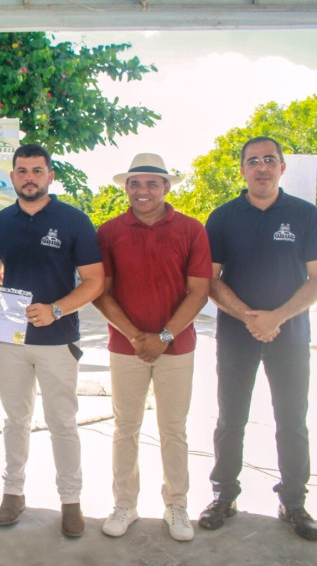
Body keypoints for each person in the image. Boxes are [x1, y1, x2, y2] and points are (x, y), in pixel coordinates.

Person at [199, 136, 317, 541]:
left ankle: (294, 502)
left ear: (281, 167)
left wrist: (276, 317)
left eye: (269, 160)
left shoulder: (305, 215)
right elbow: (210, 279)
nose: (261, 167)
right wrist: (248, 317)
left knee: (292, 420)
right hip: (236, 336)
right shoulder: (222, 218)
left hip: (290, 333)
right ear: (241, 169)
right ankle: (224, 496)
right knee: (230, 419)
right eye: (253, 161)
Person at [0, 143, 104, 537]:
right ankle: (13, 493)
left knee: (62, 423)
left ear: (50, 175)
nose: (29, 177)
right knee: (15, 421)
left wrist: (56, 309)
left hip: (58, 340)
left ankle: (71, 501)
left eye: (37, 170)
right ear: (13, 176)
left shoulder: (74, 221)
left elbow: (94, 282)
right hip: (11, 340)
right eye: (22, 170)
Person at [92, 153, 211, 542]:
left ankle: (176, 504)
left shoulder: (192, 230)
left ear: (167, 187)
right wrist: (133, 336)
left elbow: (199, 293)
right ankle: (125, 503)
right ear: (126, 187)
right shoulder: (108, 232)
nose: (143, 191)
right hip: (125, 347)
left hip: (176, 348)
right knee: (125, 428)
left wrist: (162, 338)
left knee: (172, 429)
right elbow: (101, 292)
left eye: (151, 183)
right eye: (135, 183)